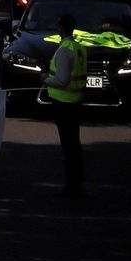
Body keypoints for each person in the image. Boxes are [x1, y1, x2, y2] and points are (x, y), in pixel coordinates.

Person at [44, 17, 87, 197]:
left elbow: (61, 80)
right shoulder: (79, 48)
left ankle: (72, 184)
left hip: (63, 103)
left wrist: (45, 79)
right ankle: (77, 181)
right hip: (76, 100)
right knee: (74, 143)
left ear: (60, 27)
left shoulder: (63, 50)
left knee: (68, 145)